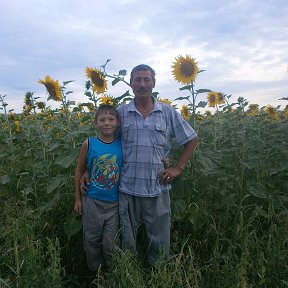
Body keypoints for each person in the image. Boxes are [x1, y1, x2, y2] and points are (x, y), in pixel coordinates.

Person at [81, 64, 199, 265]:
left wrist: (177, 167)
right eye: (138, 80)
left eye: (146, 79)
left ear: (154, 82)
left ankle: (158, 273)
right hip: (127, 187)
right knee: (127, 238)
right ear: (131, 83)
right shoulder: (121, 113)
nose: (142, 84)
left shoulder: (167, 112)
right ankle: (129, 273)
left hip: (157, 186)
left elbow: (192, 139)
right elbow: (106, 141)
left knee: (160, 238)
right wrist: (86, 169)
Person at [74, 104, 123, 273]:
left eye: (111, 119)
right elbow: (79, 170)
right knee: (92, 239)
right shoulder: (88, 143)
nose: (107, 123)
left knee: (111, 242)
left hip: (114, 203)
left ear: (117, 123)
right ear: (95, 123)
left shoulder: (122, 145)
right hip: (92, 200)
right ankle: (96, 273)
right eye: (102, 120)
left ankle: (111, 273)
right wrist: (78, 199)